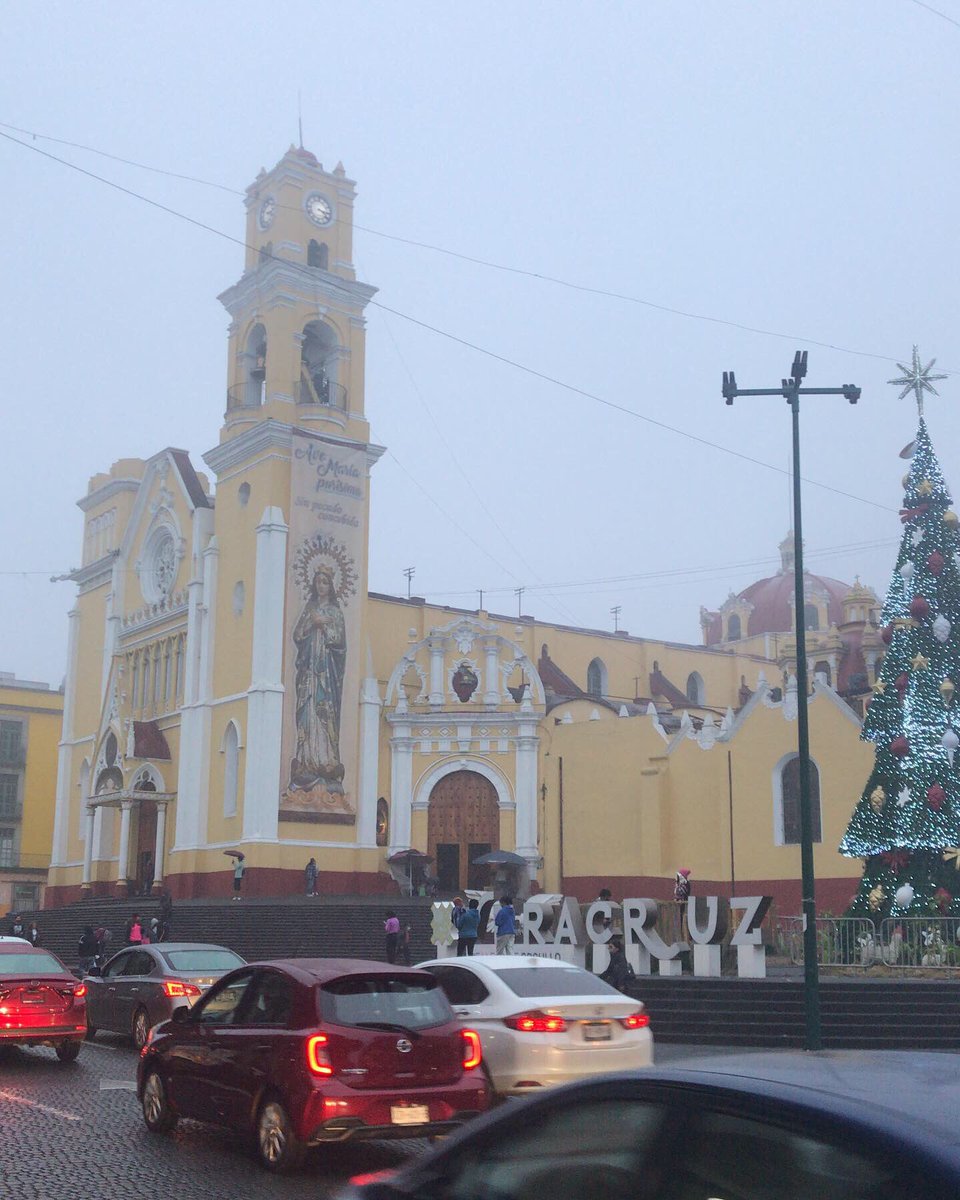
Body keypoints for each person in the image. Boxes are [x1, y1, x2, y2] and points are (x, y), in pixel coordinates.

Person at [289, 565, 347, 794]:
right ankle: (307, 760)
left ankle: (326, 760)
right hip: (309, 671)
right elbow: (297, 635)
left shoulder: (335, 612)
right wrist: (311, 623)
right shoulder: (309, 608)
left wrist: (324, 626)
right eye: (318, 581)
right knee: (307, 713)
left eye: (325, 582)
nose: (321, 586)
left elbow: (340, 642)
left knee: (325, 715)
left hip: (327, 674)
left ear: (331, 586)